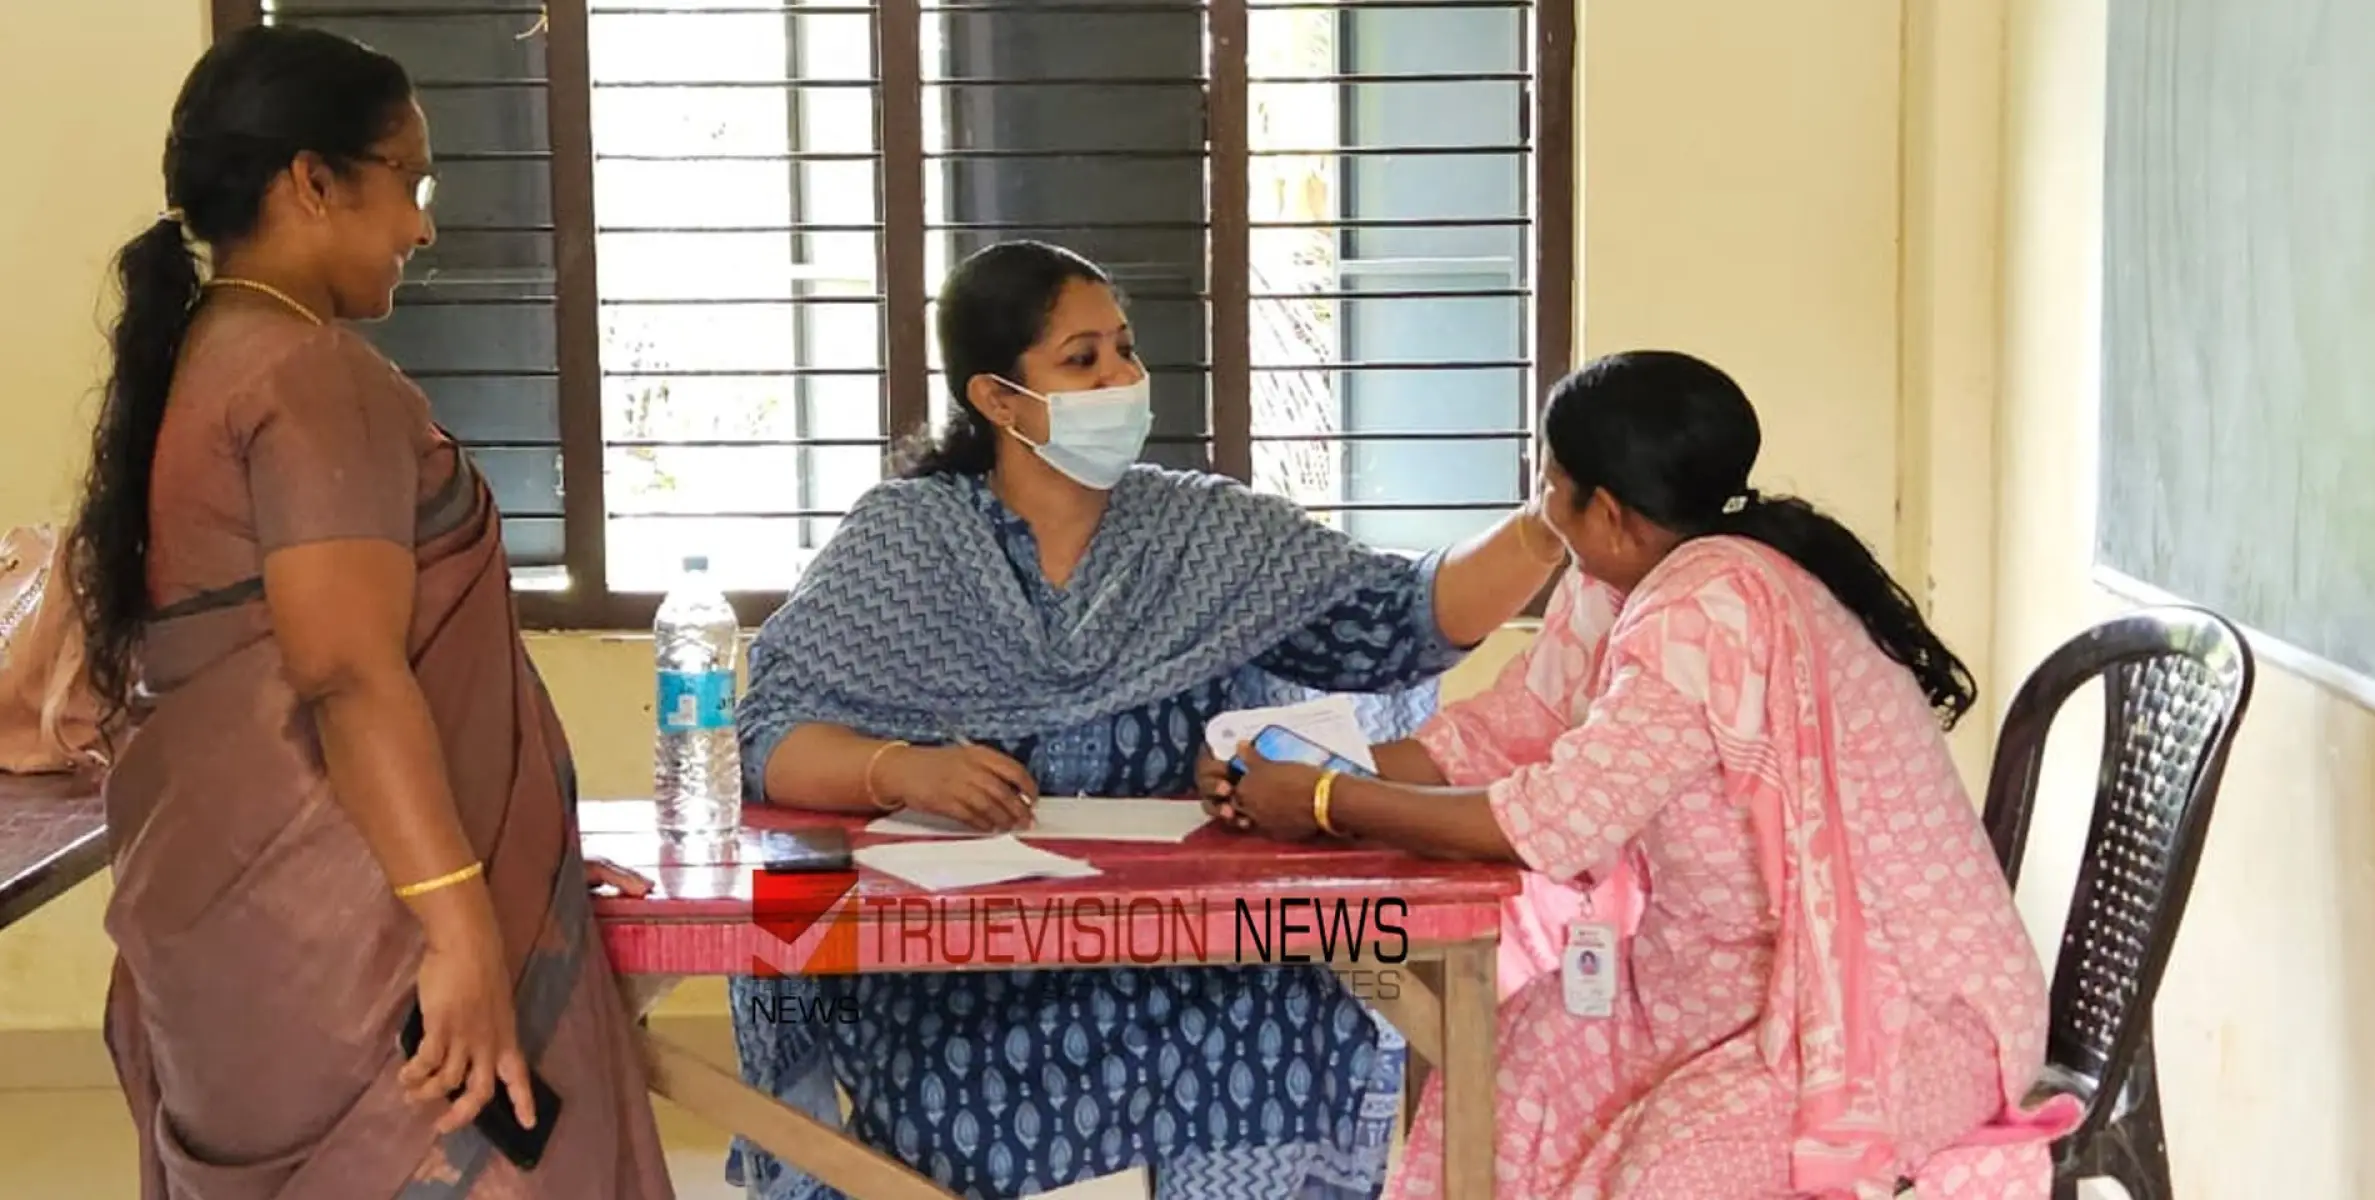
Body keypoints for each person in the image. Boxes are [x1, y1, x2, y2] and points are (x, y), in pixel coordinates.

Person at [727, 239, 1566, 1200]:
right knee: (948, 1084)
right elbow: (773, 738)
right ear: (997, 399)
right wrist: (900, 771)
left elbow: (1398, 619)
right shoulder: (907, 541)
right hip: (966, 958)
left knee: (1292, 1022)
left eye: (1124, 350)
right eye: (1082, 360)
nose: (1123, 376)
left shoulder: (1205, 533)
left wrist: (1543, 528)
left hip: (1203, 947)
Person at [1219, 351, 2081, 1197]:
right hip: (1705, 987)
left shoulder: (1712, 607)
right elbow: (1507, 735)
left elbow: (1552, 823)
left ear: (1611, 511)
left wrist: (1329, 800)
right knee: (1523, 1068)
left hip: (1890, 1015)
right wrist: (1292, 757)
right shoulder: (1628, 582)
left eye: (1551, 484)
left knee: (1666, 1175)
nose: (1541, 506)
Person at [68, 27, 674, 1198]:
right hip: (358, 940)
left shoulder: (208, 355)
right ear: (312, 180)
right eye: (410, 180)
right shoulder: (306, 372)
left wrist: (507, 847)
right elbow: (345, 673)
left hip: (245, 930)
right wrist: (457, 921)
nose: (422, 226)